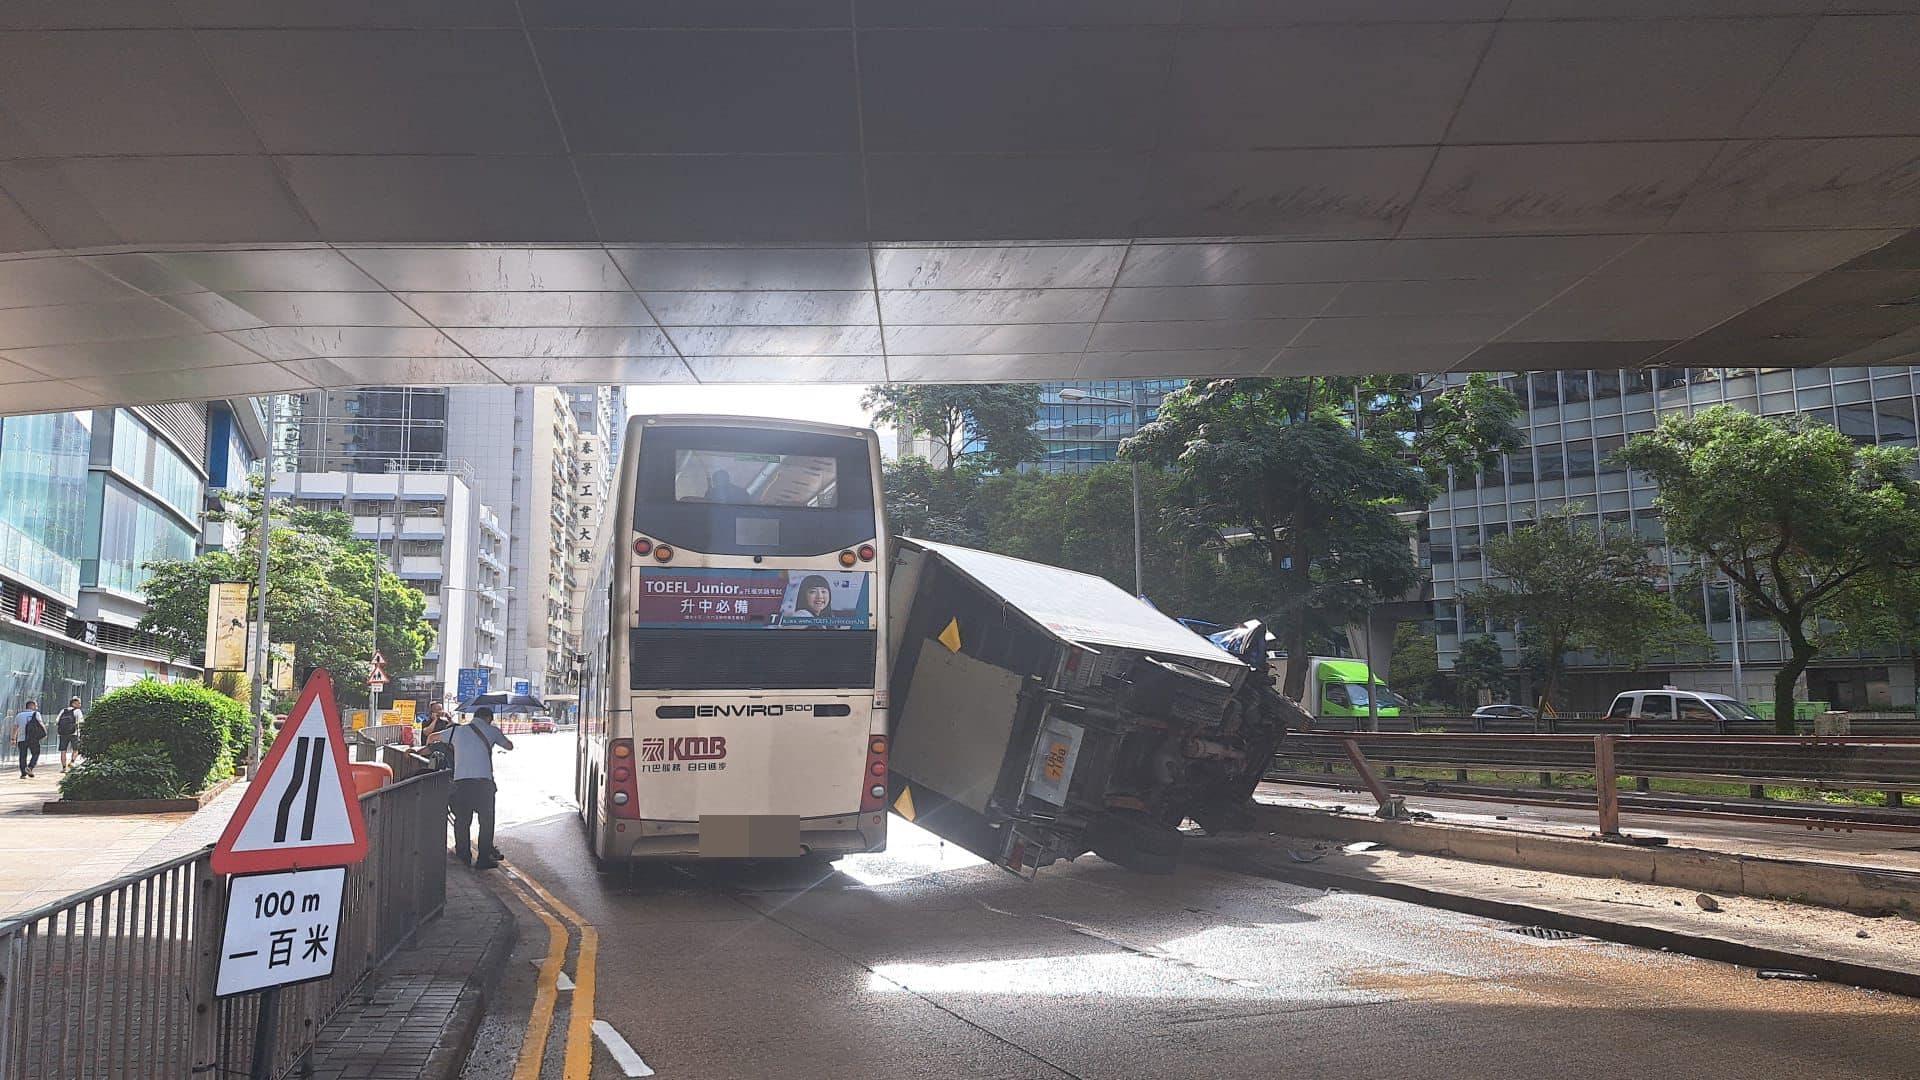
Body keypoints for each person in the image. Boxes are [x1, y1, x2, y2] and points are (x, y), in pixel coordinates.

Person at [446, 706, 513, 869]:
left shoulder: (457, 731)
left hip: (461, 784)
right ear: (489, 718)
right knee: (486, 821)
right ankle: (483, 859)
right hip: (484, 784)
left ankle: (463, 856)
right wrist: (496, 733)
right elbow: (509, 746)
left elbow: (432, 737)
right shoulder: (492, 730)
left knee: (462, 821)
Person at [13, 699, 46, 780]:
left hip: (21, 739)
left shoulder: (19, 715)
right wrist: (45, 733)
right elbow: (41, 724)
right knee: (36, 753)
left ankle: (23, 774)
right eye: (36, 705)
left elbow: (15, 728)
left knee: (22, 756)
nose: (37, 707)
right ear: (32, 706)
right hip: (33, 739)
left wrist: (13, 738)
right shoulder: (36, 714)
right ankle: (30, 767)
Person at [56, 696, 83, 770]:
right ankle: (72, 762)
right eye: (79, 703)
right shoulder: (78, 711)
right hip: (74, 733)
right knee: (76, 749)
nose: (80, 705)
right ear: (74, 703)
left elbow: (57, 721)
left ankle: (64, 768)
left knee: (63, 751)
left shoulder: (63, 711)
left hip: (63, 734)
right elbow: (80, 722)